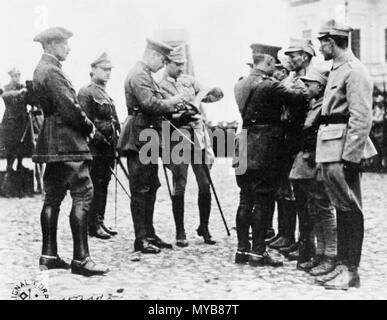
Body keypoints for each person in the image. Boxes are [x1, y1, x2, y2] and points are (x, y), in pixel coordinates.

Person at [32, 27, 108, 276]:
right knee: (83, 194)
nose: (68, 48)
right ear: (52, 45)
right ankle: (81, 259)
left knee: (52, 197)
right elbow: (71, 108)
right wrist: (90, 128)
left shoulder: (40, 69)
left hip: (50, 142)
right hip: (68, 142)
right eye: (64, 44)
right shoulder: (54, 71)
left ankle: (49, 255)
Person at [314, 19, 376, 290]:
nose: (319, 48)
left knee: (351, 209)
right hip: (330, 147)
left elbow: (361, 118)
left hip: (342, 150)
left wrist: (351, 157)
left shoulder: (355, 71)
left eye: (322, 42)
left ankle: (351, 270)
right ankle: (342, 264)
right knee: (341, 208)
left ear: (332, 41)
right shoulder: (337, 69)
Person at [233, 44, 307, 267]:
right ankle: (258, 253)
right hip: (265, 146)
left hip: (243, 144)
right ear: (266, 61)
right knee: (263, 200)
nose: (276, 67)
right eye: (274, 63)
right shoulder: (272, 86)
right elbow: (300, 98)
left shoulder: (240, 84)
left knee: (245, 200)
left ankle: (241, 250)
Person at [118, 39, 184, 254]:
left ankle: (149, 232)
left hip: (147, 137)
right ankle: (141, 238)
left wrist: (172, 110)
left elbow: (154, 105)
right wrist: (174, 101)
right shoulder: (139, 75)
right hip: (139, 137)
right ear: (153, 55)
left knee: (151, 186)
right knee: (141, 189)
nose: (163, 65)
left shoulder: (145, 75)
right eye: (163, 60)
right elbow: (150, 104)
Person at [159, 45, 223, 247]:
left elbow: (215, 97)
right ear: (166, 63)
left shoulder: (189, 80)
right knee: (180, 184)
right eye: (176, 64)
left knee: (205, 184)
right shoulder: (160, 86)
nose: (180, 68)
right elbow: (160, 114)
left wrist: (209, 91)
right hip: (178, 136)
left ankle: (204, 227)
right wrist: (179, 116)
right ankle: (180, 231)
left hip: (198, 135)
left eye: (182, 64)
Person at [270, 39, 316, 258]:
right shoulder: (291, 77)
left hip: (302, 139)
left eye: (294, 55)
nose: (290, 59)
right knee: (290, 192)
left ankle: (306, 243)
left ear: (305, 56)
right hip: (288, 139)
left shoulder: (313, 77)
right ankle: (291, 237)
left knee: (304, 195)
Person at [289, 69, 337, 274]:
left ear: (320, 86)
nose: (306, 88)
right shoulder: (313, 104)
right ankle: (319, 253)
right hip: (307, 162)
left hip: (316, 161)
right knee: (314, 208)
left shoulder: (325, 106)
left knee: (323, 208)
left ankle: (330, 255)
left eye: (310, 84)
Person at [78, 53, 120, 240]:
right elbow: (83, 121)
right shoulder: (86, 92)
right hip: (95, 147)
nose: (108, 73)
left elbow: (112, 119)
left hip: (108, 147)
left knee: (104, 183)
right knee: (94, 184)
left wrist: (116, 137)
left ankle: (99, 221)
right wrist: (100, 137)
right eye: (104, 69)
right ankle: (92, 225)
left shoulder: (104, 93)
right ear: (93, 70)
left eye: (110, 70)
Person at [1, 68, 30, 172]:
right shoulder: (6, 88)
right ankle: (9, 166)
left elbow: (30, 99)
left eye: (18, 75)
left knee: (22, 143)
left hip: (22, 119)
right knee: (11, 143)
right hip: (10, 120)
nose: (17, 78)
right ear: (11, 76)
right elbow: (5, 95)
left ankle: (20, 164)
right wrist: (19, 92)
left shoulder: (23, 87)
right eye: (15, 76)